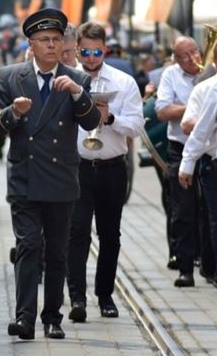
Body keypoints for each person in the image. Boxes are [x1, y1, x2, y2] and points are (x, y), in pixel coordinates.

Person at [0, 8, 100, 340]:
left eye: (57, 39)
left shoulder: (76, 79)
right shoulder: (11, 76)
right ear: (31, 44)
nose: (52, 45)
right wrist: (13, 112)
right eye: (44, 40)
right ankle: (24, 318)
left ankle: (52, 317)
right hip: (25, 178)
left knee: (56, 251)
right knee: (28, 245)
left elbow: (92, 123)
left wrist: (78, 95)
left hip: (61, 179)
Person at [67, 22, 144, 322]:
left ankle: (105, 295)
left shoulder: (123, 83)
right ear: (77, 50)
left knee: (110, 235)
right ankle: (77, 296)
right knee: (78, 233)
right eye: (84, 51)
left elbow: (137, 126)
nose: (90, 58)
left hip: (112, 167)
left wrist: (110, 118)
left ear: (105, 49)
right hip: (79, 167)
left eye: (96, 52)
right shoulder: (69, 80)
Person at [178, 37, 217, 293]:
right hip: (213, 162)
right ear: (214, 62)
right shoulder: (208, 89)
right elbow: (193, 127)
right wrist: (187, 163)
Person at [155, 36, 202, 287]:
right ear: (176, 58)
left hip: (209, 149)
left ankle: (212, 265)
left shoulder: (212, 73)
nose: (191, 59)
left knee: (210, 209)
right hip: (180, 147)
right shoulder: (170, 75)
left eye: (194, 52)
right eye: (184, 55)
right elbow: (162, 111)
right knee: (183, 209)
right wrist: (197, 105)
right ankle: (185, 267)